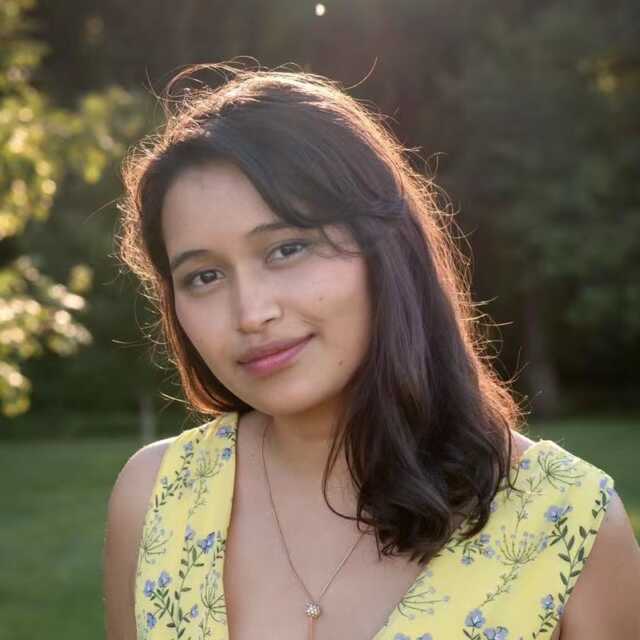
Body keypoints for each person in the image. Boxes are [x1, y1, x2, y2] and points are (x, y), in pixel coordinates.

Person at [103, 62, 640, 640]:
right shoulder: (155, 499)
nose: (250, 312)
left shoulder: (567, 524)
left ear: (384, 251)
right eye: (204, 276)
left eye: (286, 249)